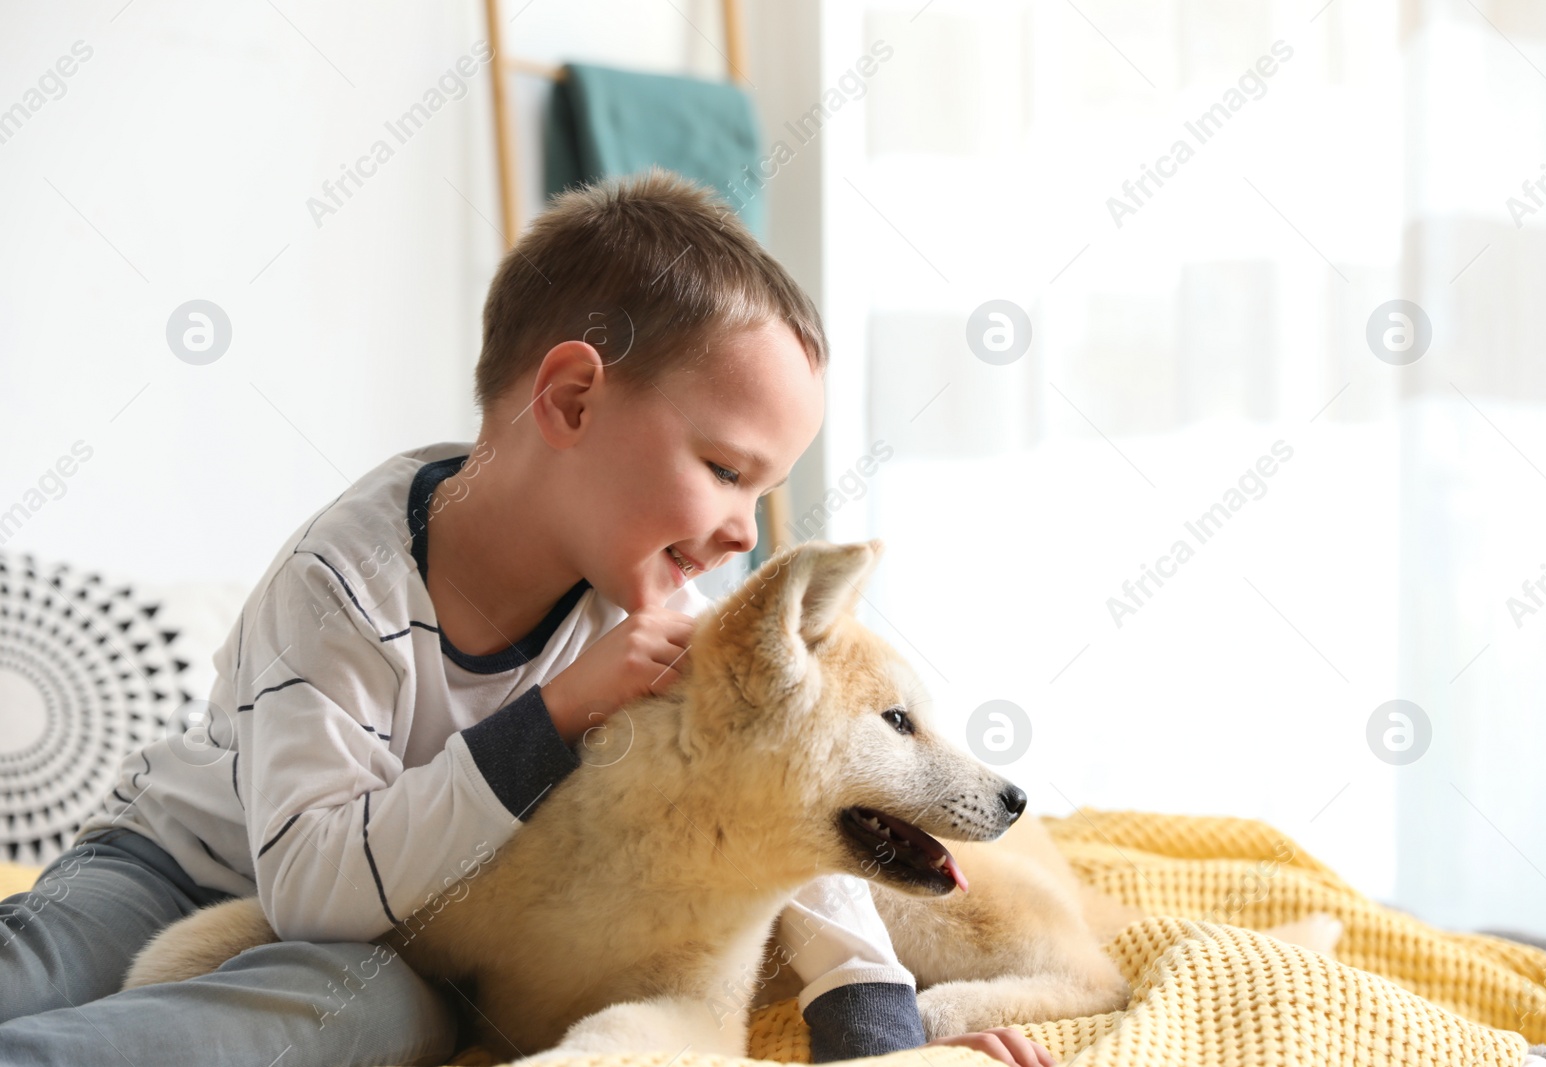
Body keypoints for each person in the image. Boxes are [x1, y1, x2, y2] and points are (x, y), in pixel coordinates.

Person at [0, 168, 1055, 1067]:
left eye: (764, 492)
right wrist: (552, 712)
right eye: (726, 470)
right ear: (572, 401)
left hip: (397, 942)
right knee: (51, 962)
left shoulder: (646, 600)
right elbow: (312, 881)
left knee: (369, 1011)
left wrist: (879, 1030)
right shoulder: (344, 583)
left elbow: (775, 798)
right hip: (191, 866)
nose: (745, 530)